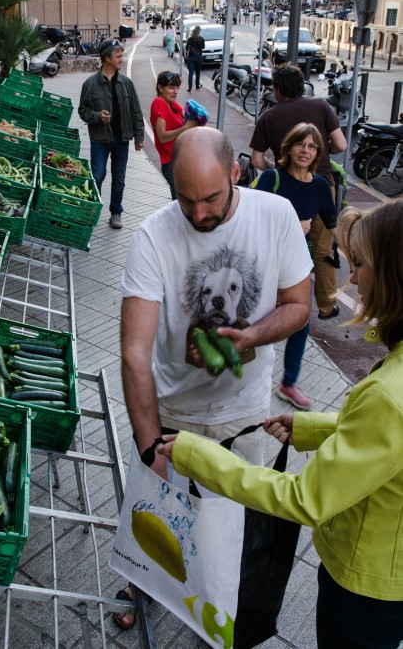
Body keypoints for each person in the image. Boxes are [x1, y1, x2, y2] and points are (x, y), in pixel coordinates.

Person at [158, 197, 403, 649]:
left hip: (365, 590)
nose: (353, 279)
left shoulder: (390, 394)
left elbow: (305, 499)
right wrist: (315, 429)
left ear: (394, 276)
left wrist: (200, 456)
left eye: (363, 265)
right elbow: (390, 446)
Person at [113, 126, 312, 629]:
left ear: (235, 172)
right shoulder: (152, 236)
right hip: (174, 411)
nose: (198, 214)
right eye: (185, 200)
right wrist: (149, 448)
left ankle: (221, 613)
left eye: (210, 199)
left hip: (243, 415)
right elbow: (135, 355)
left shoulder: (276, 216)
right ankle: (145, 584)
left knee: (232, 531)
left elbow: (299, 307)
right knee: (161, 518)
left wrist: (251, 338)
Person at [250, 63, 347, 320]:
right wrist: (319, 155)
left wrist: (278, 168)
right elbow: (341, 144)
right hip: (321, 185)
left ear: (277, 89)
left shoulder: (268, 117)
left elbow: (257, 160)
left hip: (284, 191)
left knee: (282, 248)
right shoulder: (321, 106)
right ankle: (327, 306)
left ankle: (282, 304)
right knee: (324, 251)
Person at [254, 123, 337, 409]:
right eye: (300, 144)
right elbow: (251, 220)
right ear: (288, 148)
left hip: (296, 265)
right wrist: (291, 225)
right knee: (258, 318)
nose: (305, 150)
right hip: (265, 262)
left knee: (301, 323)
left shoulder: (320, 186)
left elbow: (332, 220)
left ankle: (288, 383)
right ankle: (246, 376)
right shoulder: (271, 179)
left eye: (312, 146)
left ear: (317, 153)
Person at [78, 39, 144, 230]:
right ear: (107, 58)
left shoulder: (126, 84)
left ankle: (116, 212)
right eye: (119, 56)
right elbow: (83, 111)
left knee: (119, 177)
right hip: (100, 139)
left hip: (121, 138)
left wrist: (139, 137)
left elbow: (136, 111)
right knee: (97, 175)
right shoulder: (90, 84)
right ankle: (91, 211)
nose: (122, 60)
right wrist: (98, 116)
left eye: (122, 56)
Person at [150, 71, 198, 199]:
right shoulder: (159, 102)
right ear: (160, 87)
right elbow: (162, 136)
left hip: (180, 160)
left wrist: (195, 115)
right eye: (171, 87)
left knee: (187, 203)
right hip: (171, 163)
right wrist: (185, 128)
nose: (175, 91)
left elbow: (188, 116)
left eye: (177, 87)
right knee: (180, 206)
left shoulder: (172, 104)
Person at [185, 25, 205, 92]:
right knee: (198, 72)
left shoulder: (190, 39)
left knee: (190, 73)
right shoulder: (201, 39)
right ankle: (197, 85)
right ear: (199, 32)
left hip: (191, 57)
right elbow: (203, 47)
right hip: (199, 57)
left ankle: (190, 87)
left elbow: (187, 48)